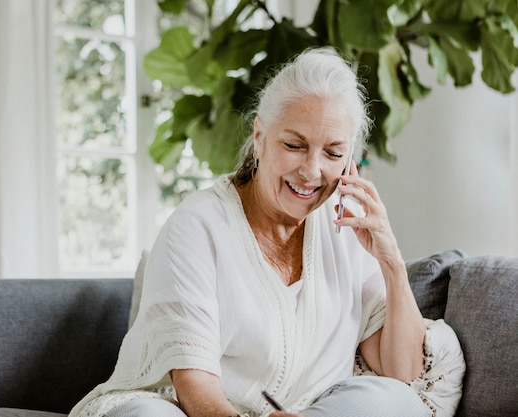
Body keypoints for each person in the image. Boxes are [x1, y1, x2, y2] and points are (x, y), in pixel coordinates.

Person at [69, 47, 464, 417]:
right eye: (295, 145)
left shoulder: (345, 228)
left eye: (332, 153)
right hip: (193, 411)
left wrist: (391, 261)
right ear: (259, 138)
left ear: (350, 161)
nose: (311, 171)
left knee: (395, 400)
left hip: (310, 409)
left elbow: (403, 372)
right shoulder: (197, 224)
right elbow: (195, 389)